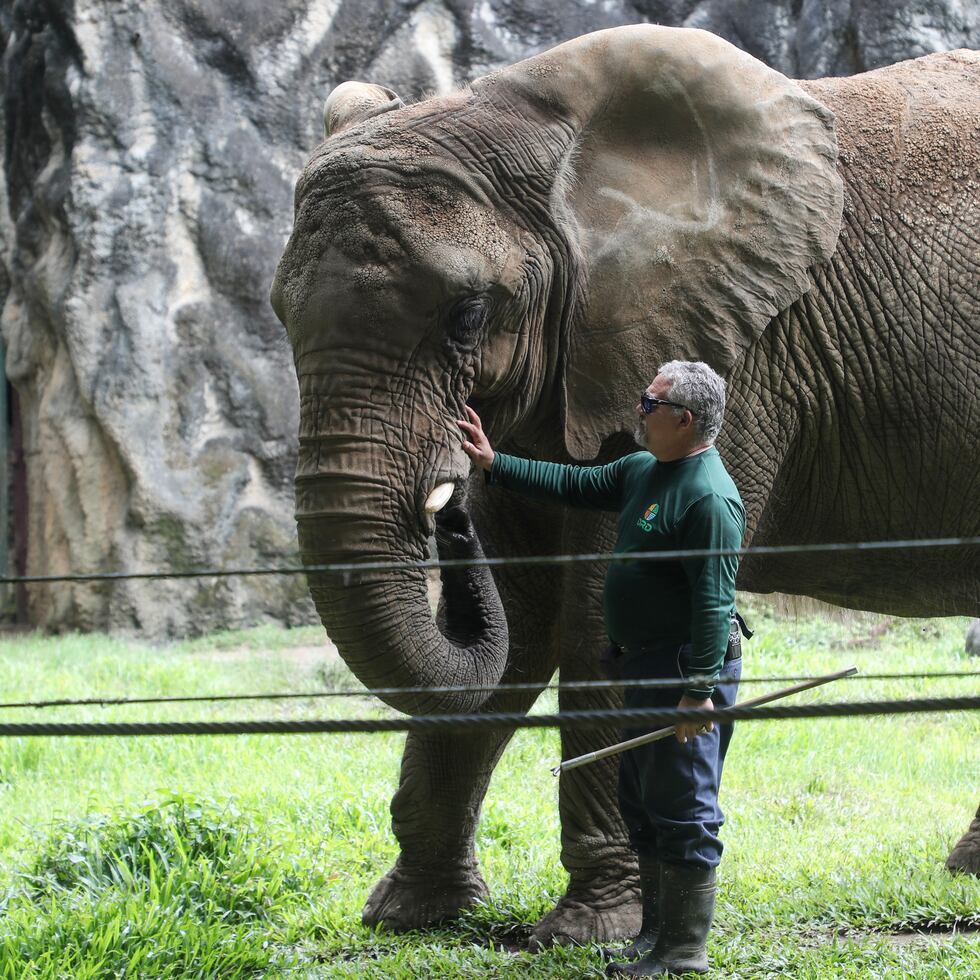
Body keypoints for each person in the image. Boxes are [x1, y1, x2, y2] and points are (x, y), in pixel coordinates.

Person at [458, 360, 747, 977]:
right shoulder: (645, 469)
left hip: (683, 674)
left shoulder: (710, 498)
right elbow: (574, 485)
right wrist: (494, 463)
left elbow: (714, 605)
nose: (638, 411)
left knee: (684, 807)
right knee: (641, 802)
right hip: (643, 668)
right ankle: (654, 937)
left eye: (649, 404)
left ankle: (684, 951)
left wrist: (698, 694)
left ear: (683, 420)